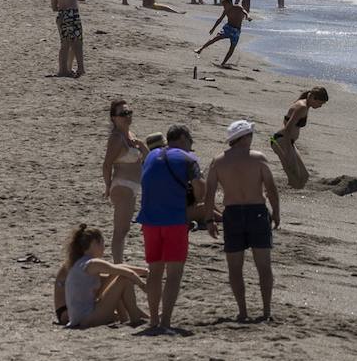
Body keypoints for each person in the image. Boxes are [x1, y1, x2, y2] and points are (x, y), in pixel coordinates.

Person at [204, 120, 281, 322]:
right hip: (256, 212)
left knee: (235, 268)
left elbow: (209, 194)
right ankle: (265, 311)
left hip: (233, 214)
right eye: (251, 135)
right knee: (263, 266)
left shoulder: (218, 161)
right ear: (245, 137)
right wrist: (277, 212)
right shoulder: (257, 158)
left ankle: (243, 311)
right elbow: (271, 189)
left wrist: (209, 219)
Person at [137, 124, 205, 335]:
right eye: (191, 141)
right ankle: (166, 321)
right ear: (183, 138)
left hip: (149, 221)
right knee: (174, 273)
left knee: (155, 271)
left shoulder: (151, 156)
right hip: (174, 221)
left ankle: (154, 319)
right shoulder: (188, 159)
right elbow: (200, 190)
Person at [53, 224, 148, 328]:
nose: (104, 248)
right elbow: (125, 272)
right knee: (124, 279)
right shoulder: (93, 263)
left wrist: (144, 272)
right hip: (87, 317)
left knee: (116, 281)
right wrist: (143, 286)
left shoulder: (79, 263)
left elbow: (118, 268)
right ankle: (135, 319)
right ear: (94, 243)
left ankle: (125, 319)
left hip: (78, 319)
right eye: (103, 243)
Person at [102, 99, 148, 263]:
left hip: (132, 186)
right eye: (123, 114)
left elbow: (147, 158)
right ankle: (118, 265)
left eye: (129, 112)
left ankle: (119, 264)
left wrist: (142, 145)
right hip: (122, 186)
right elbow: (107, 164)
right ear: (114, 118)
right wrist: (108, 186)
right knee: (120, 231)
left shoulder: (131, 135)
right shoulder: (116, 138)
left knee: (125, 229)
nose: (127, 116)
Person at [270, 87, 327, 190]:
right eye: (320, 103)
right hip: (282, 141)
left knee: (304, 176)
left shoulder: (305, 105)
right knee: (295, 176)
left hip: (288, 142)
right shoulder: (302, 107)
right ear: (313, 98)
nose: (320, 106)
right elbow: (288, 128)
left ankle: (294, 195)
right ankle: (290, 200)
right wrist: (288, 150)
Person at [50, 0, 88, 78]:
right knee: (77, 42)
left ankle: (63, 70)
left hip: (61, 15)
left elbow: (54, 7)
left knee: (64, 44)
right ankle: (80, 68)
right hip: (72, 14)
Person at [198, 0, 251, 68]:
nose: (224, 7)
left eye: (225, 6)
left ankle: (223, 63)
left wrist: (247, 17)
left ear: (230, 3)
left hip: (236, 30)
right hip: (228, 28)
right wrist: (213, 28)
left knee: (232, 48)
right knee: (216, 38)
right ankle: (201, 49)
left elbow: (245, 12)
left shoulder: (238, 7)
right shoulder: (226, 11)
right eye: (223, 6)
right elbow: (219, 19)